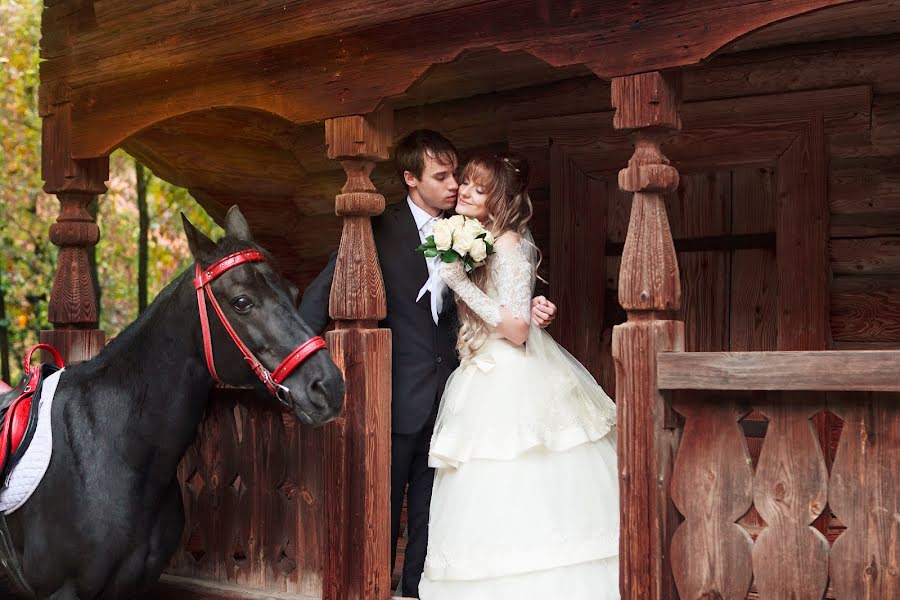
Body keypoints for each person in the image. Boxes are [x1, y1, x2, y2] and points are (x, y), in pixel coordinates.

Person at [298, 130, 557, 598]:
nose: (455, 184)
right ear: (410, 179)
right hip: (396, 392)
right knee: (383, 504)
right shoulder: (377, 228)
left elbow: (503, 283)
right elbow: (324, 290)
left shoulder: (473, 228)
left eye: (456, 173)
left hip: (457, 392)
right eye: (442, 176)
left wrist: (532, 302)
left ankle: (415, 590)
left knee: (433, 510)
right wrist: (296, 363)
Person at [418, 153, 619, 600]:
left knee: (518, 472)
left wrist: (460, 282)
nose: (465, 192)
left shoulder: (508, 244)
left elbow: (516, 329)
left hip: (508, 375)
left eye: (478, 188)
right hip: (481, 367)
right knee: (483, 486)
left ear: (499, 200)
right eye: (465, 184)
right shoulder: (480, 236)